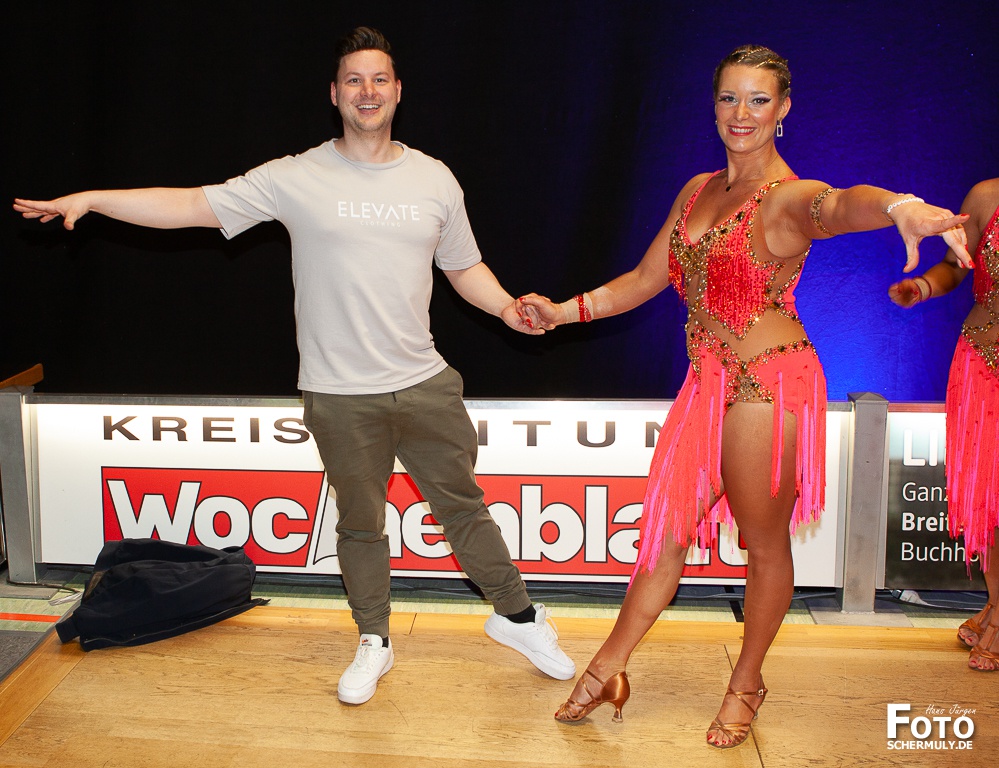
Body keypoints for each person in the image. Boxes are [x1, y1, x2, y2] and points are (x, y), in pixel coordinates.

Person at [13, 26, 575, 704]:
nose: (367, 91)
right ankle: (374, 640)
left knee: (464, 509)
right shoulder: (295, 177)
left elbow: (462, 267)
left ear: (398, 91)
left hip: (425, 382)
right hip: (339, 394)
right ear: (334, 94)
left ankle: (517, 618)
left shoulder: (434, 178)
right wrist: (94, 200)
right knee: (360, 525)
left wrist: (507, 307)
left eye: (379, 79)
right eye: (354, 80)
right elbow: (191, 204)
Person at [519, 44, 971, 748]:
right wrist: (563, 312)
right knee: (664, 534)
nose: (741, 113)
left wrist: (899, 206)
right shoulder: (697, 190)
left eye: (758, 100)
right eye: (729, 97)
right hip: (705, 385)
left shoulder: (786, 196)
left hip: (769, 384)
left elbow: (839, 204)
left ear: (782, 109)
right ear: (713, 104)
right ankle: (608, 666)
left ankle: (747, 682)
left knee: (763, 544)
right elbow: (642, 281)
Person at [889, 177, 999, 673]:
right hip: (985, 362)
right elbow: (959, 263)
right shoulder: (987, 196)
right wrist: (924, 286)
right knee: (988, 497)